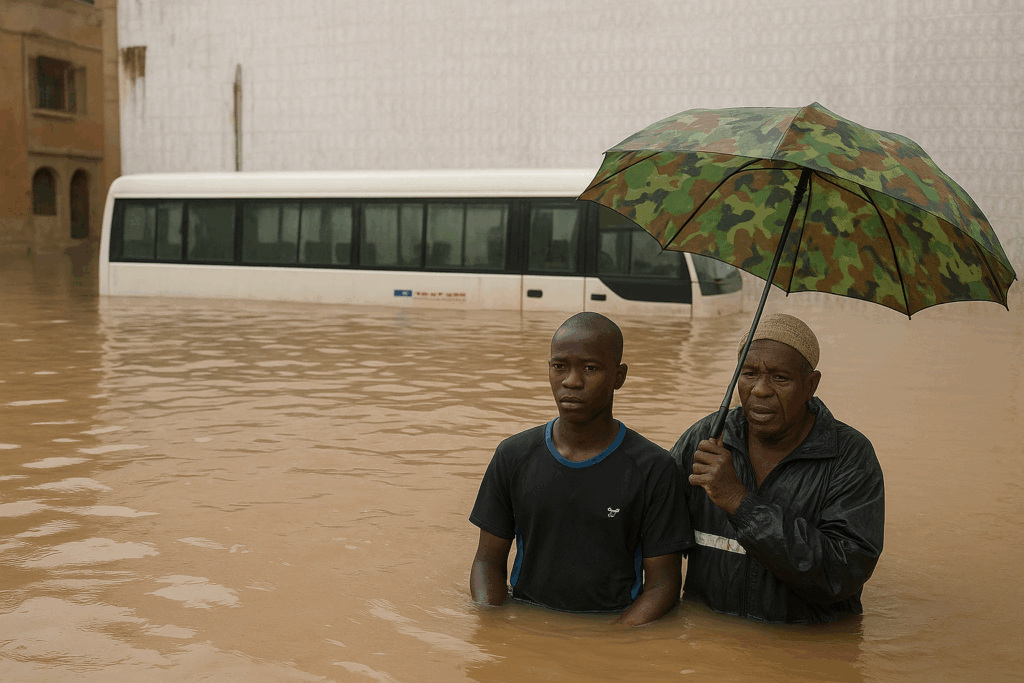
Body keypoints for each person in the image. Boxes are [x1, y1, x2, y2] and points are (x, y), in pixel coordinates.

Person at [469, 312, 693, 626]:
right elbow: (487, 562)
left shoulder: (653, 468)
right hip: (527, 618)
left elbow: (663, 585)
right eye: (559, 366)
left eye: (590, 368)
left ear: (619, 377)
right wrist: (494, 628)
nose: (571, 381)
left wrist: (610, 641)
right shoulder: (513, 456)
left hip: (612, 623)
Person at [670, 313, 884, 624]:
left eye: (780, 378)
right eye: (749, 373)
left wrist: (739, 502)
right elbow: (653, 532)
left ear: (811, 385)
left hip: (808, 643)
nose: (760, 390)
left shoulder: (849, 455)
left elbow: (843, 573)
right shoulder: (705, 439)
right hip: (711, 640)